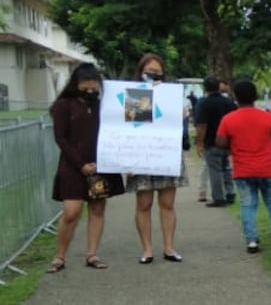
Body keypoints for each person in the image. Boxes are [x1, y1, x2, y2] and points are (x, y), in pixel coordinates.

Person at [46, 63, 125, 272]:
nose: (90, 90)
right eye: (86, 85)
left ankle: (92, 254)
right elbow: (61, 138)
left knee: (97, 209)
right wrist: (81, 164)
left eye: (94, 85)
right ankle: (59, 257)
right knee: (71, 212)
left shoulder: (104, 105)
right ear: (76, 83)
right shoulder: (64, 105)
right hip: (73, 167)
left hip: (101, 166)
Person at [127, 53, 189, 264]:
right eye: (149, 72)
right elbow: (133, 125)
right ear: (140, 72)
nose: (153, 75)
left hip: (167, 153)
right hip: (141, 155)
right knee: (143, 203)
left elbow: (182, 117)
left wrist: (167, 98)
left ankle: (169, 247)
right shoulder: (135, 95)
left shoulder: (171, 93)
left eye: (157, 72)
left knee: (167, 203)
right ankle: (147, 249)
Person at [216, 80, 271, 253]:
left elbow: (220, 142)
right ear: (255, 96)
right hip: (267, 167)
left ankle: (252, 241)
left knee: (248, 205)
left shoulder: (228, 119)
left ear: (236, 97)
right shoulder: (268, 117)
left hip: (243, 169)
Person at [194, 75, 237, 209]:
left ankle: (218, 197)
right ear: (219, 86)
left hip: (212, 141)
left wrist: (199, 143)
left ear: (205, 88)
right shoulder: (229, 102)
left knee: (215, 170)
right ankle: (230, 193)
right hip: (227, 141)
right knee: (226, 167)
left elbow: (202, 125)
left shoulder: (203, 103)